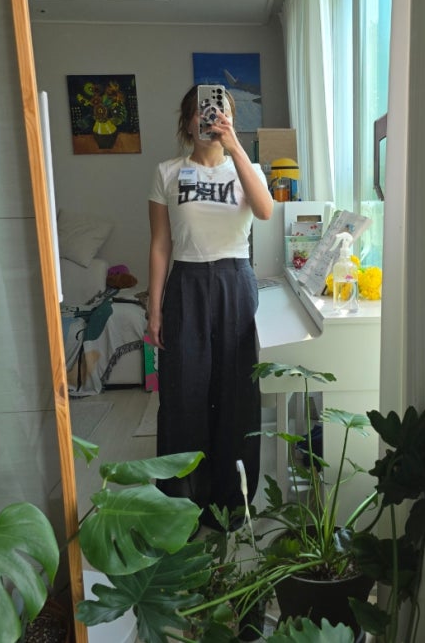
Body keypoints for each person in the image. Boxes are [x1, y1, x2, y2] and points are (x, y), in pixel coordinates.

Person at [147, 84, 273, 531]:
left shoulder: (246, 168)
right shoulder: (166, 172)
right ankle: (181, 504)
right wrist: (154, 309)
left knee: (236, 395)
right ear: (187, 121)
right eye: (202, 111)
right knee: (183, 393)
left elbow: (265, 211)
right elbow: (160, 245)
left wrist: (235, 146)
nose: (211, 118)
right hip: (186, 284)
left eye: (221, 111)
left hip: (235, 282)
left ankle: (231, 502)